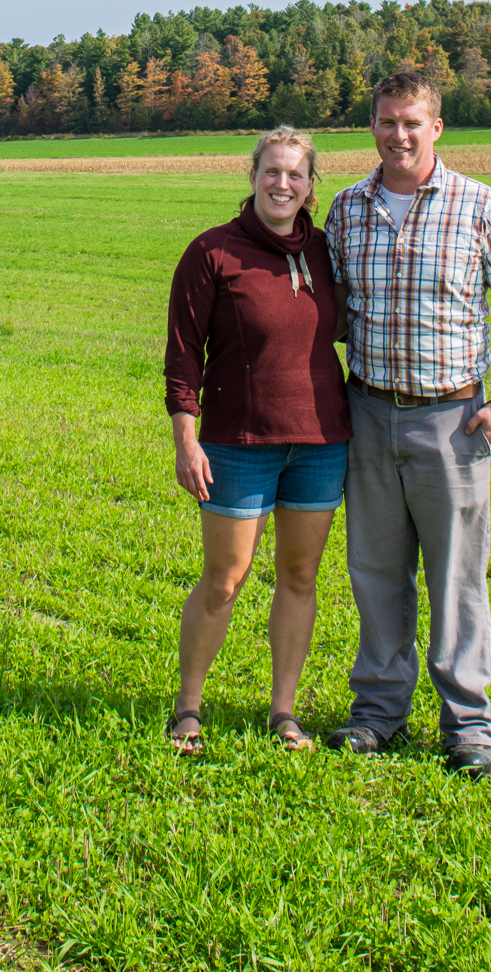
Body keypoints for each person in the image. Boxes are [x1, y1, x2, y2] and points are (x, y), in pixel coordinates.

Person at [322, 68, 491, 778]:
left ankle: (467, 724)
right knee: (375, 573)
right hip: (368, 412)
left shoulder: (477, 204)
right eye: (387, 121)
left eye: (412, 122)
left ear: (436, 127)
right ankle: (377, 712)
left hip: (451, 419)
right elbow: (321, 311)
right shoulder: (347, 209)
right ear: (372, 127)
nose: (399, 135)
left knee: (455, 577)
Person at [163, 125, 351, 755]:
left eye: (295, 175)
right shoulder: (211, 253)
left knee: (300, 576)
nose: (282, 184)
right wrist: (186, 440)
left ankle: (284, 712)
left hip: (321, 442)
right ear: (252, 176)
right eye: (272, 171)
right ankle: (188, 707)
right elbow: (184, 359)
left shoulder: (328, 251)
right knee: (225, 576)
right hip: (237, 443)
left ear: (310, 186)